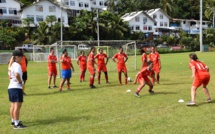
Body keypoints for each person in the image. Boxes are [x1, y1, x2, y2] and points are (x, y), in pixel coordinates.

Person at [8, 50, 26, 129]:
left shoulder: (11, 65)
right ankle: (17, 124)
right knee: (17, 106)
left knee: (13, 105)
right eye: (21, 57)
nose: (22, 58)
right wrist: (20, 81)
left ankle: (13, 120)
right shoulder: (17, 65)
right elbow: (17, 74)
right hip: (16, 87)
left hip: (11, 87)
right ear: (17, 57)